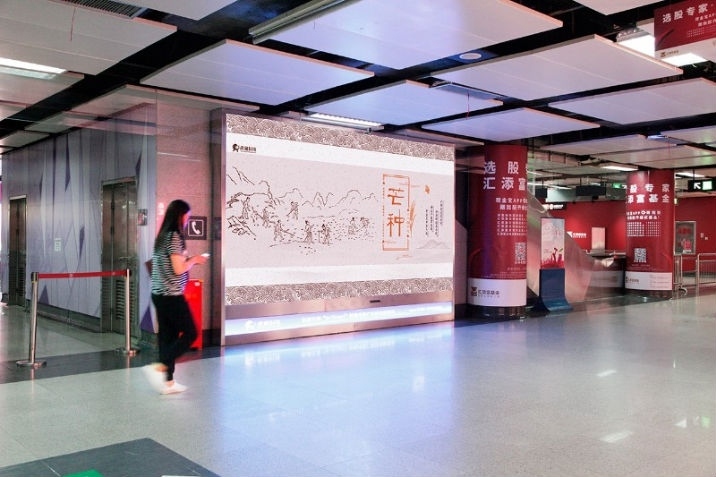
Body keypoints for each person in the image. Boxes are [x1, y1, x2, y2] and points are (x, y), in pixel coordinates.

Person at [143, 199, 207, 394]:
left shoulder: (163, 236)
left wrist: (188, 260)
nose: (188, 220)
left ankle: (168, 383)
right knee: (191, 333)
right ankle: (162, 364)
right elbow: (178, 269)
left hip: (159, 294)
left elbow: (171, 264)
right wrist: (194, 261)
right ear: (180, 215)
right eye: (187, 217)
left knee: (168, 337)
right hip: (171, 296)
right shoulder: (174, 237)